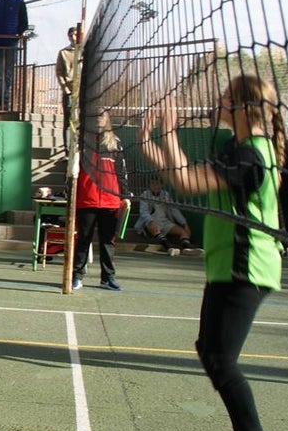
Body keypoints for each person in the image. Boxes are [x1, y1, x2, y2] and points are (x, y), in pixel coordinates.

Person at [138, 76, 286, 431]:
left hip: (247, 267)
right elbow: (182, 174)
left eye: (225, 96)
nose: (218, 100)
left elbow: (185, 180)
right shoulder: (237, 150)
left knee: (221, 358)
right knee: (210, 349)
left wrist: (168, 131)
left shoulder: (252, 155)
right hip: (228, 267)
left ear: (244, 107)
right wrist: (150, 141)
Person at [71, 110, 130, 291]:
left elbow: (121, 172)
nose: (98, 119)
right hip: (86, 199)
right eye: (94, 116)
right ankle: (77, 276)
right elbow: (72, 170)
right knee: (83, 240)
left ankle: (108, 278)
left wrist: (125, 196)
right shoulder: (81, 142)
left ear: (107, 119)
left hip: (110, 201)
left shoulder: (115, 143)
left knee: (108, 242)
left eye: (101, 116)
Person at [134, 174, 198, 256]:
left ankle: (186, 249)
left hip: (165, 222)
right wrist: (151, 221)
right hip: (150, 222)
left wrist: (184, 223)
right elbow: (143, 212)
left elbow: (174, 210)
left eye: (157, 183)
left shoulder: (166, 195)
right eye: (152, 183)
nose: (155, 186)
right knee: (154, 228)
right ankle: (169, 248)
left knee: (184, 232)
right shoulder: (145, 195)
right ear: (149, 185)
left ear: (161, 185)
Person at [55, 26, 81, 150]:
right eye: (71, 36)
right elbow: (59, 72)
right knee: (68, 121)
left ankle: (80, 149)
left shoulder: (84, 51)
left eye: (75, 35)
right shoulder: (63, 53)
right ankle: (67, 150)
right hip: (69, 92)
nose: (73, 38)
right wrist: (66, 89)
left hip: (83, 91)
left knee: (82, 120)